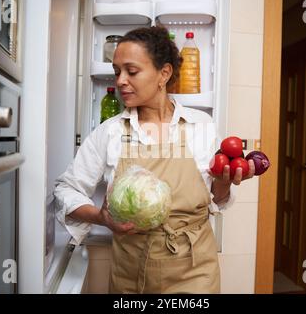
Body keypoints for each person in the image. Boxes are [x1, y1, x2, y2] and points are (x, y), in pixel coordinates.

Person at [54, 26, 255, 294]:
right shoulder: (110, 131)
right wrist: (102, 218)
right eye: (117, 72)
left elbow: (216, 200)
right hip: (132, 270)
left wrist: (224, 183)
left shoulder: (201, 126)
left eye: (132, 71)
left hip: (195, 270)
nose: (122, 80)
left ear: (164, 73)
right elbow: (65, 190)